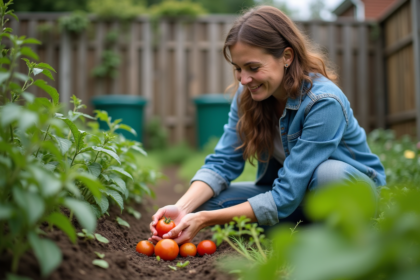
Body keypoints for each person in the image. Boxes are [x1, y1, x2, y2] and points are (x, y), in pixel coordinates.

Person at [148, 5, 386, 245]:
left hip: (347, 192)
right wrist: (183, 207)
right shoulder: (248, 95)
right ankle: (307, 233)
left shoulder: (323, 102)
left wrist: (206, 220)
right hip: (296, 197)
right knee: (210, 204)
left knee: (328, 175)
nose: (244, 79)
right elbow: (223, 162)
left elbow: (288, 191)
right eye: (239, 69)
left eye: (253, 68)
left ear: (286, 57)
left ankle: (337, 235)